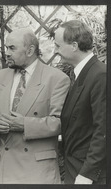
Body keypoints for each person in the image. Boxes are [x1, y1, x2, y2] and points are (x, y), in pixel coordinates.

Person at [0, 28, 70, 184]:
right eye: (6, 48)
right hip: (5, 168)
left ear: (30, 50)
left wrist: (24, 124)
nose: (6, 53)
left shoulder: (57, 79)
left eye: (12, 48)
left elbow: (60, 122)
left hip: (39, 170)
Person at [55, 20, 106, 184]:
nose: (56, 51)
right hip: (76, 168)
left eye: (58, 46)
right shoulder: (83, 73)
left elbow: (104, 129)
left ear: (74, 46)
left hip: (90, 176)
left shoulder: (100, 76)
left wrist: (87, 174)